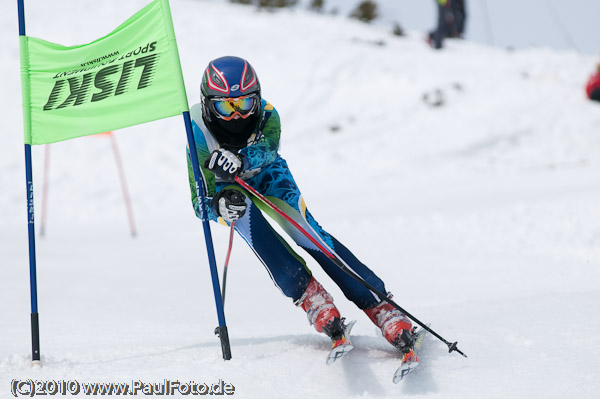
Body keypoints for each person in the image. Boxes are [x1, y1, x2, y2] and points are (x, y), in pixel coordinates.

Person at [186, 56, 416, 353]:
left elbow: (267, 151)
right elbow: (199, 201)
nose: (236, 116)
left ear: (255, 100)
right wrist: (218, 208)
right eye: (223, 107)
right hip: (228, 186)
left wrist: (241, 160)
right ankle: (310, 295)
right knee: (240, 212)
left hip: (267, 174)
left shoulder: (268, 114)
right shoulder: (196, 128)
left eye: (243, 105)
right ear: (207, 104)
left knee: (306, 231)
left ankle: (379, 305)